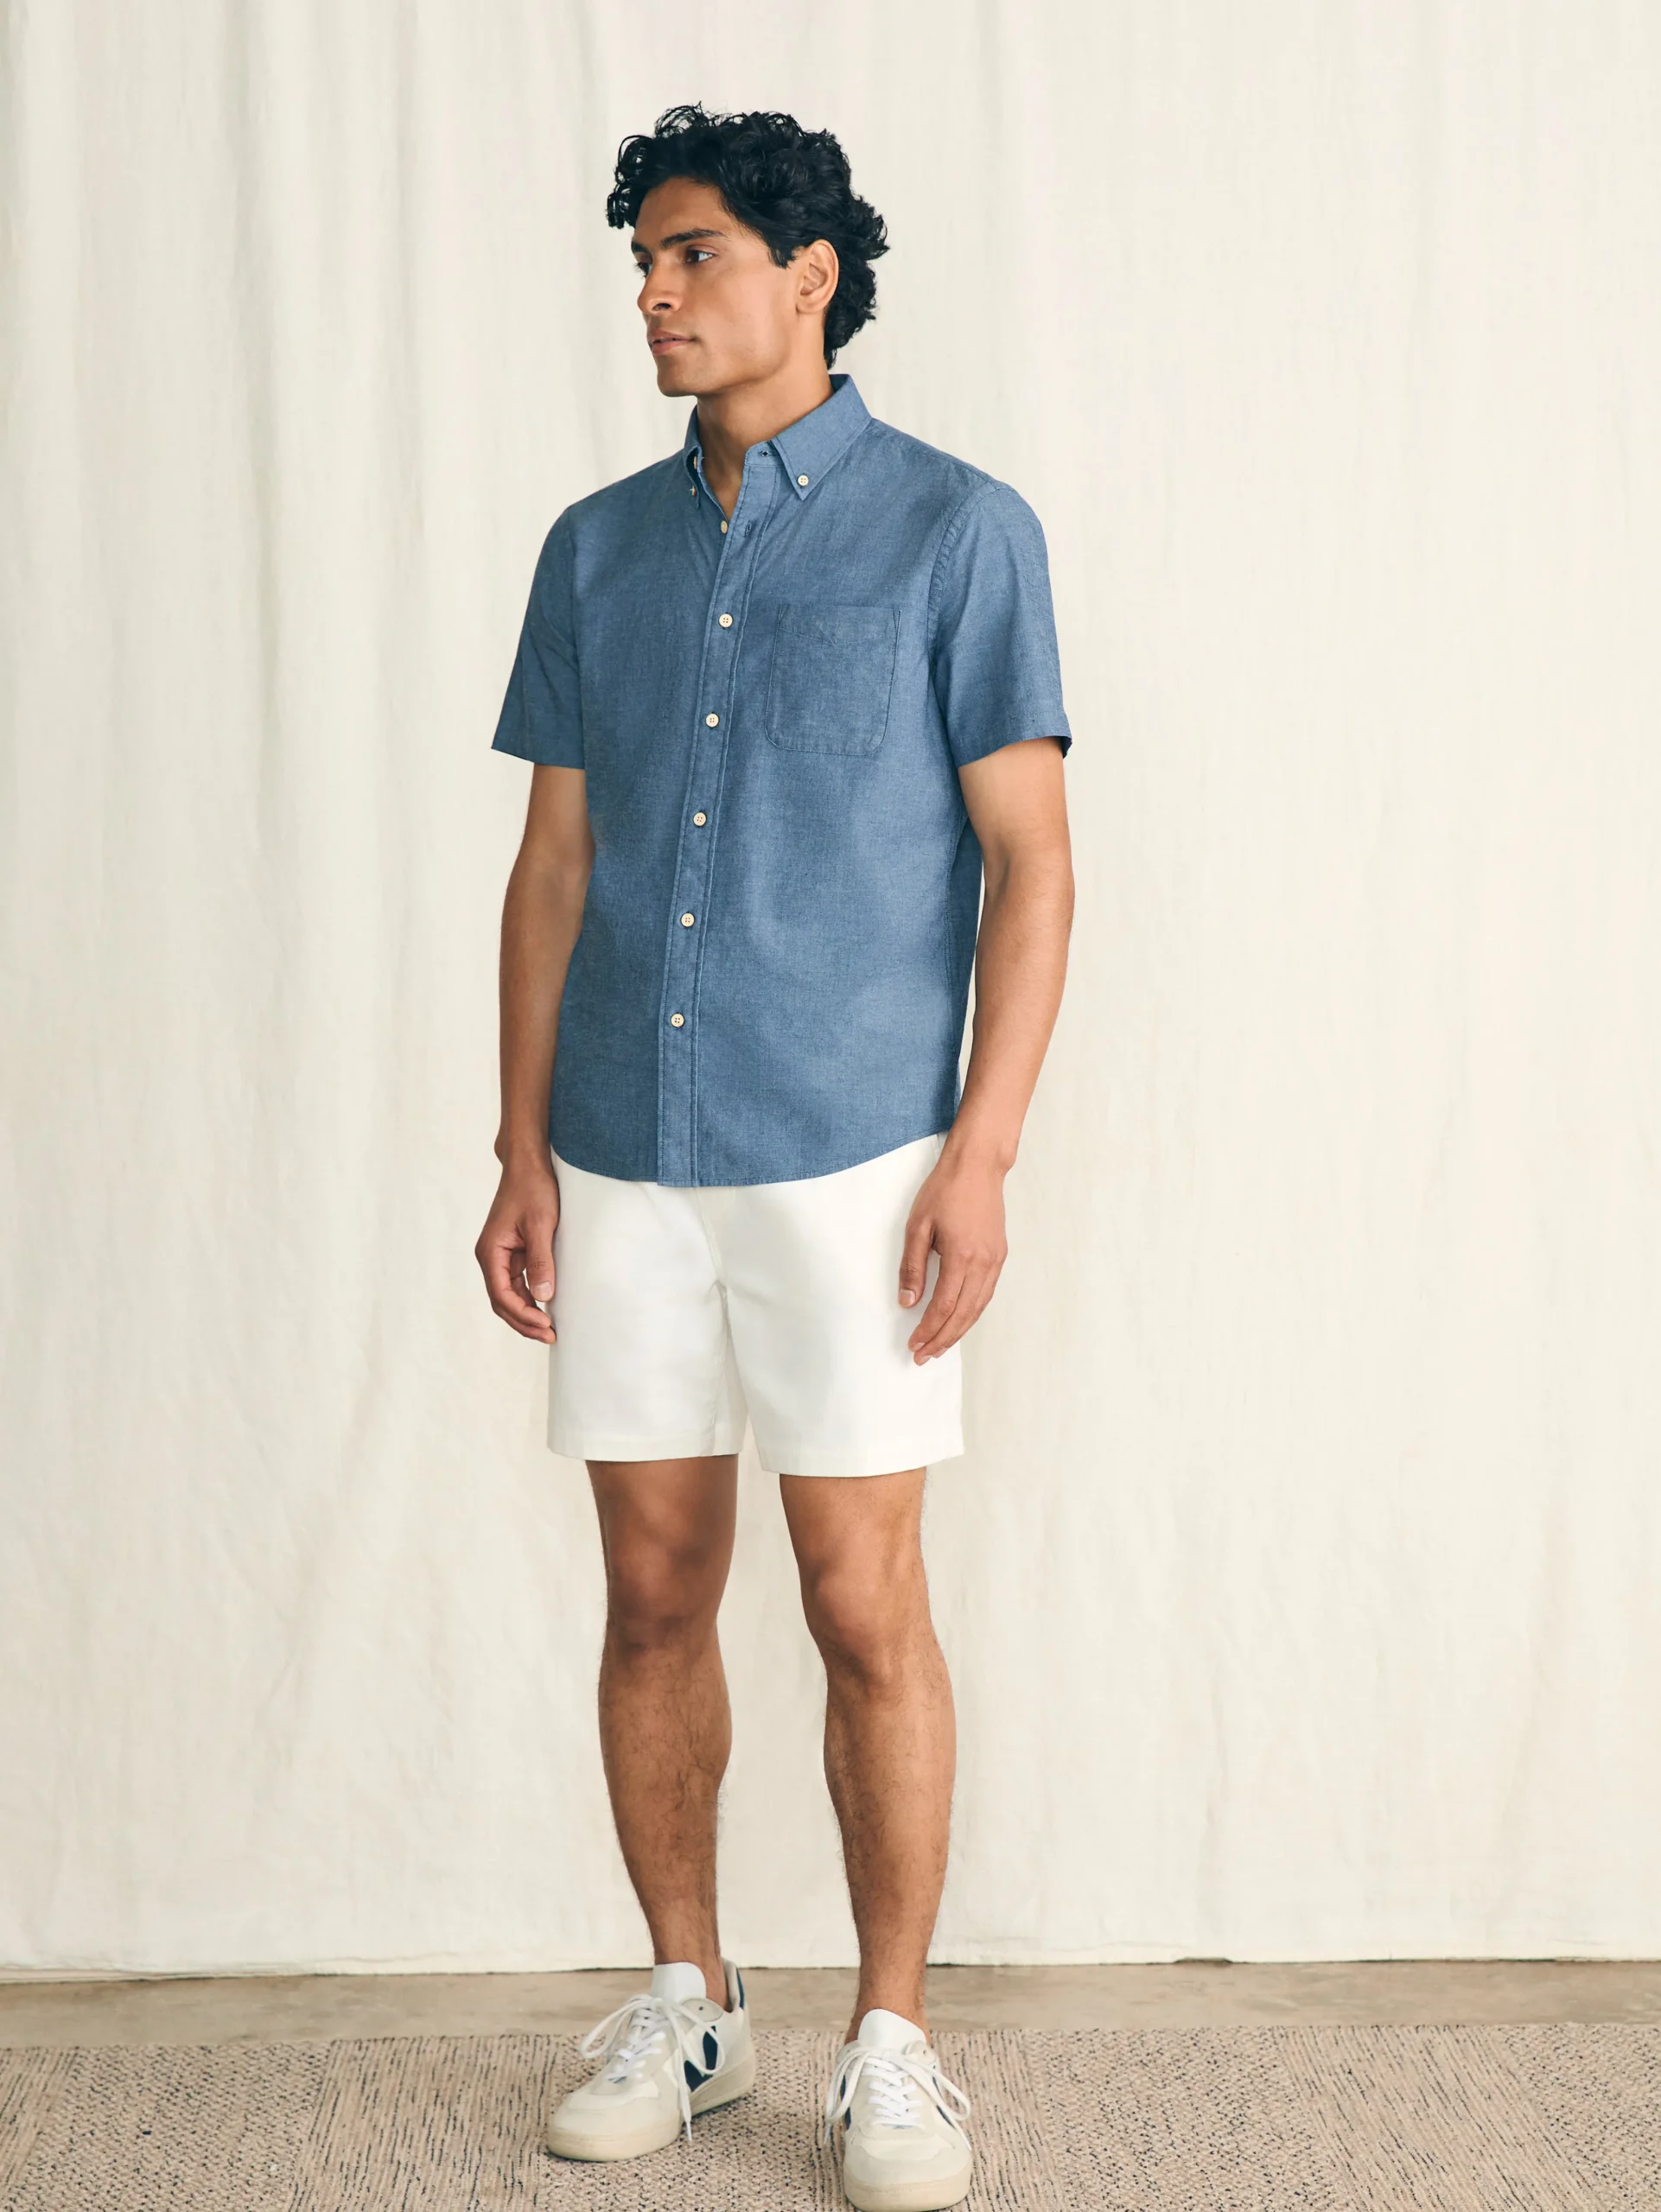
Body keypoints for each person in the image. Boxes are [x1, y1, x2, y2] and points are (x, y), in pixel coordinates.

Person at [476, 101, 1073, 2212]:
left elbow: (1030, 865)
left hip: (853, 1155)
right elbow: (553, 867)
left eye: (694, 254)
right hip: (623, 1142)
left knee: (859, 1596)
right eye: (642, 261)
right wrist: (521, 1145)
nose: (654, 293)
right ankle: (693, 1993)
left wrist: (980, 1151)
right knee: (651, 1585)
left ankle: (891, 2040)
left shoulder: (958, 530)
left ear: (811, 276)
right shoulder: (594, 549)